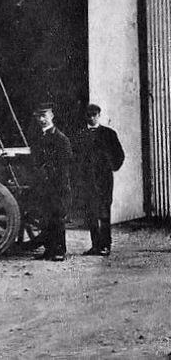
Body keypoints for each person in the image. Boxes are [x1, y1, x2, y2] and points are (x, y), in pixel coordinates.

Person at [73, 103, 125, 256]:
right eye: (89, 115)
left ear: (99, 115)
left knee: (104, 211)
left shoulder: (109, 134)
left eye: (94, 115)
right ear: (86, 116)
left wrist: (111, 167)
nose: (91, 118)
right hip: (87, 179)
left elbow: (119, 154)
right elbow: (75, 157)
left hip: (104, 179)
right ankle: (95, 245)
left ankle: (105, 245)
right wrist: (80, 173)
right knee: (91, 212)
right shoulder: (80, 135)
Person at [30, 102, 73, 262]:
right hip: (44, 185)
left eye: (44, 116)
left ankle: (60, 251)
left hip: (58, 185)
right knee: (46, 218)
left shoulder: (60, 139)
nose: (42, 120)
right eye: (39, 117)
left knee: (58, 218)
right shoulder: (39, 138)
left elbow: (65, 165)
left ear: (51, 116)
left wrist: (60, 185)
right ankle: (49, 250)